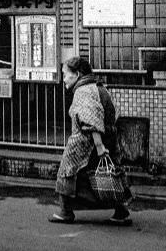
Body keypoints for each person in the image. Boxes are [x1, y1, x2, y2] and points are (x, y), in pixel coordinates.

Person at [51, 56, 132, 225]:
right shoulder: (97, 87)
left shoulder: (84, 91)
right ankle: (121, 211)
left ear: (78, 74)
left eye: (66, 74)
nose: (64, 78)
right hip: (106, 138)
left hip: (86, 143)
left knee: (67, 172)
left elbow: (91, 121)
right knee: (108, 175)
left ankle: (65, 211)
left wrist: (99, 146)